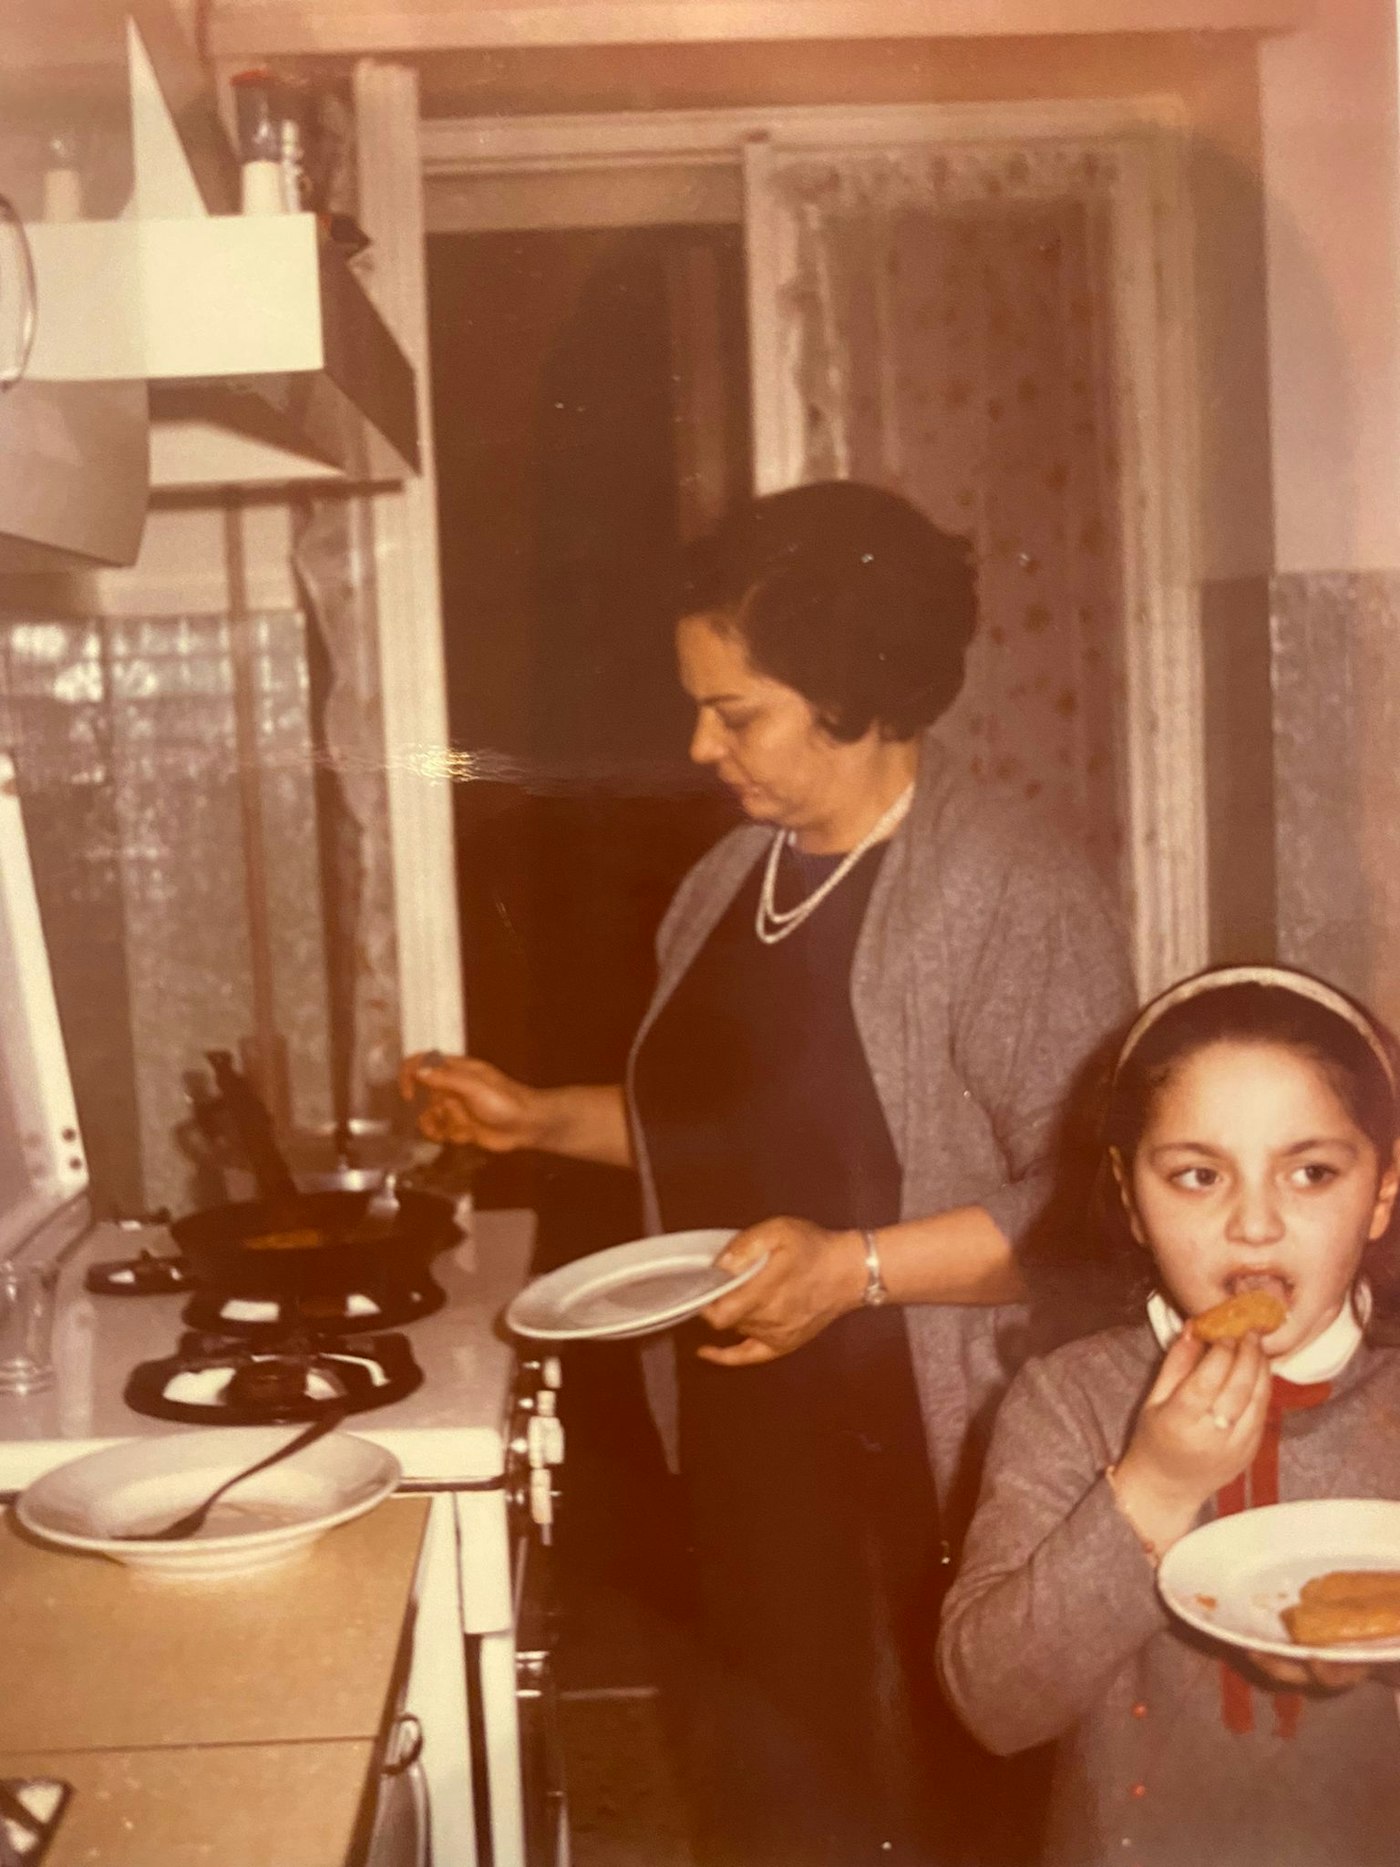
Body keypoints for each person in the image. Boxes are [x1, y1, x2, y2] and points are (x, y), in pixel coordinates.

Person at [403, 480, 1133, 1866]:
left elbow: (1098, 1201)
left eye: (735, 711)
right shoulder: (731, 875)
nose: (698, 743)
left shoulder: (1005, 885)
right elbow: (721, 1124)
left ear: (856, 692)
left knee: (920, 1807)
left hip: (925, 1464)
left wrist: (849, 1270)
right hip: (747, 1442)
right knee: (778, 1803)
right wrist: (533, 1118)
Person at [938, 964, 1400, 1867]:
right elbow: (991, 1702)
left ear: (1382, 1192)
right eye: (1198, 1175)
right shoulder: (1068, 1400)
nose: (1254, 1224)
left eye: (1311, 1171)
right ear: (1130, 1199)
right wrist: (1152, 1486)